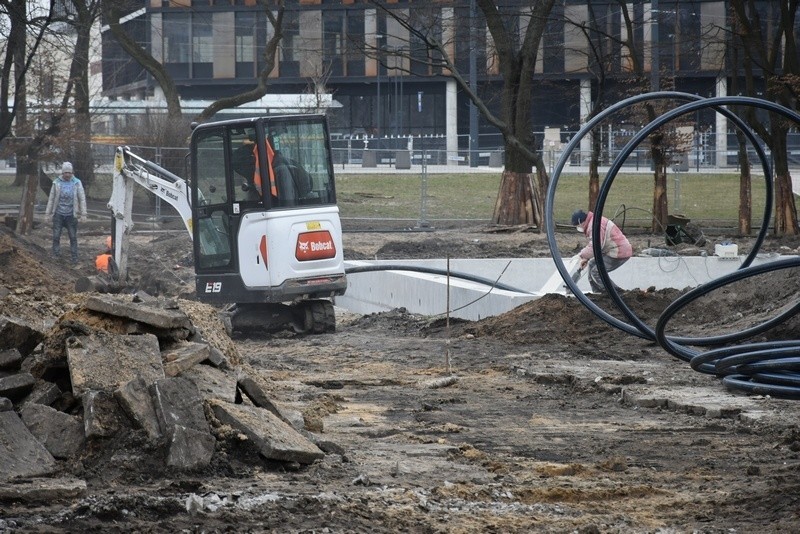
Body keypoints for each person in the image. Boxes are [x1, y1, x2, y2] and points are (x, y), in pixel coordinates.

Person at [571, 209, 632, 293]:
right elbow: (598, 245)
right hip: (613, 250)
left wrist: (581, 255)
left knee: (597, 272)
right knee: (592, 265)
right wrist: (587, 259)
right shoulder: (593, 222)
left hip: (618, 251)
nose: (578, 228)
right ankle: (597, 294)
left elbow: (595, 246)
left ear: (580, 222)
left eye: (577, 225)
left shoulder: (594, 225)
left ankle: (615, 293)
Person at [45, 162, 87, 265]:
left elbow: (82, 199)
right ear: (62, 173)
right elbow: (51, 199)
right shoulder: (56, 183)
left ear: (72, 172)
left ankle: (74, 258)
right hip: (58, 214)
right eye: (65, 172)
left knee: (73, 237)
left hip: (71, 215)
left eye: (69, 172)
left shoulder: (77, 182)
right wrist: (47, 214)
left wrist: (83, 214)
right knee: (56, 236)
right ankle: (56, 255)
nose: (67, 174)